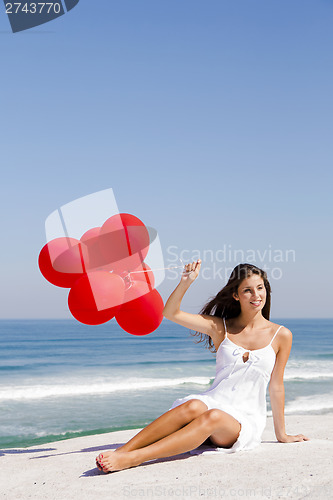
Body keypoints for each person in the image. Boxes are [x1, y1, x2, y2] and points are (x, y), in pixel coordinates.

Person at [96, 260, 309, 473]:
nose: (256, 296)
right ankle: (123, 451)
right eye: (248, 290)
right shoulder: (220, 327)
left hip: (243, 419)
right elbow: (171, 313)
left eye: (260, 288)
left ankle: (136, 458)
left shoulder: (281, 335)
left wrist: (282, 434)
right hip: (214, 401)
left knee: (213, 415)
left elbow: (276, 386)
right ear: (236, 295)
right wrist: (186, 282)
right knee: (194, 405)